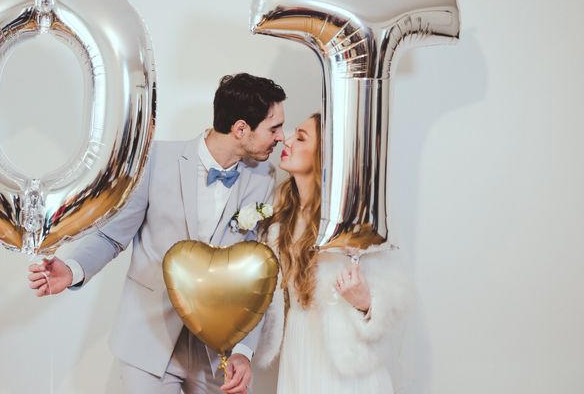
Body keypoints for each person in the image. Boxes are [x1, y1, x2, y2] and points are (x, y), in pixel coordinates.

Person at [28, 73, 286, 394]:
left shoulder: (264, 177)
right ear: (241, 128)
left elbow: (256, 276)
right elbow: (112, 235)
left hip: (218, 352)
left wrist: (243, 351)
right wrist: (73, 269)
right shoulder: (155, 160)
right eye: (274, 128)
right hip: (148, 339)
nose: (281, 137)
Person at [255, 113, 411, 394]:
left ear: (326, 155)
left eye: (301, 137)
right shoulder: (279, 217)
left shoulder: (360, 216)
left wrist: (366, 303)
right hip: (298, 349)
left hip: (347, 363)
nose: (287, 140)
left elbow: (395, 296)